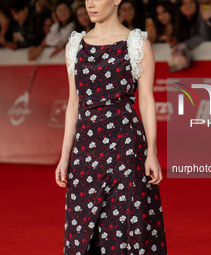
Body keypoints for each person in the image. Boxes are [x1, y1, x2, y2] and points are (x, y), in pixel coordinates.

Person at [55, 0, 168, 254]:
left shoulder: (137, 43)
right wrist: (64, 157)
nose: (90, 4)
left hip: (126, 148)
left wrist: (152, 153)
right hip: (85, 150)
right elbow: (73, 104)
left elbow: (147, 101)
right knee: (82, 231)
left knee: (126, 227)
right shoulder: (75, 45)